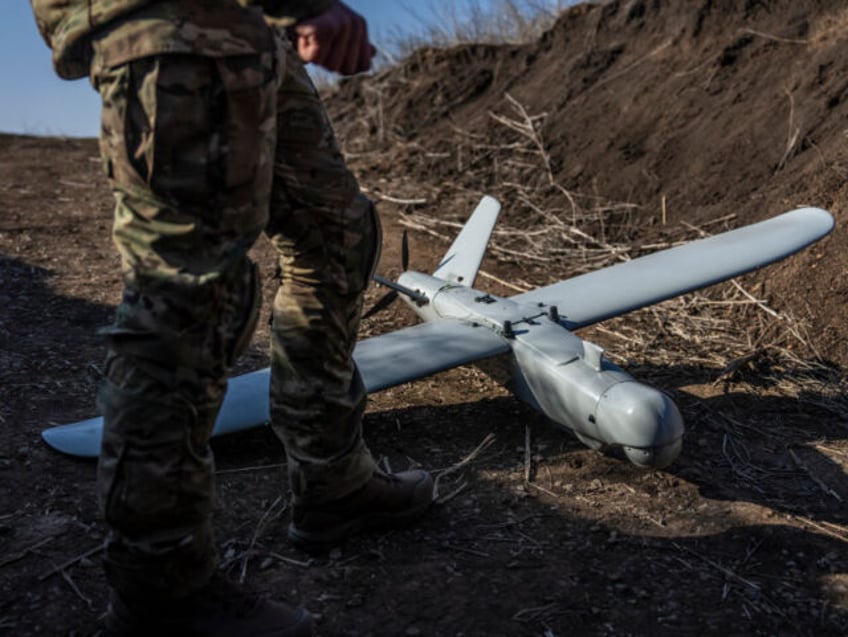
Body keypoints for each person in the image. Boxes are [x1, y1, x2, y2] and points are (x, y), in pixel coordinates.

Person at [29, 1, 434, 634]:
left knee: (336, 232)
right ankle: (160, 588)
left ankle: (334, 480)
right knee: (191, 291)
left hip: (243, 23)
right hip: (162, 18)